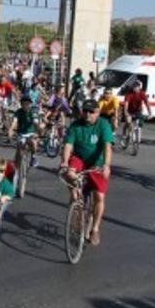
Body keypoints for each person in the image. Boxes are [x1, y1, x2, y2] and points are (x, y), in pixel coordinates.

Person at [59, 99, 114, 247]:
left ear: (97, 113)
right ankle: (75, 202)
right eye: (85, 111)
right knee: (69, 173)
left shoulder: (103, 124)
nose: (88, 114)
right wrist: (64, 161)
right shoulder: (76, 125)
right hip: (79, 159)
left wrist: (107, 165)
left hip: (97, 162)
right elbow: (68, 145)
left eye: (91, 112)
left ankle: (95, 228)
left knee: (99, 196)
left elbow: (107, 146)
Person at [9, 96, 40, 167]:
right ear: (21, 104)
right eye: (24, 103)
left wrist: (38, 131)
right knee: (19, 150)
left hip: (31, 133)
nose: (26, 105)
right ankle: (17, 169)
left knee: (34, 142)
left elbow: (36, 122)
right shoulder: (18, 112)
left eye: (28, 103)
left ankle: (33, 157)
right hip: (21, 133)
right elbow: (14, 122)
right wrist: (11, 129)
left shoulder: (33, 112)